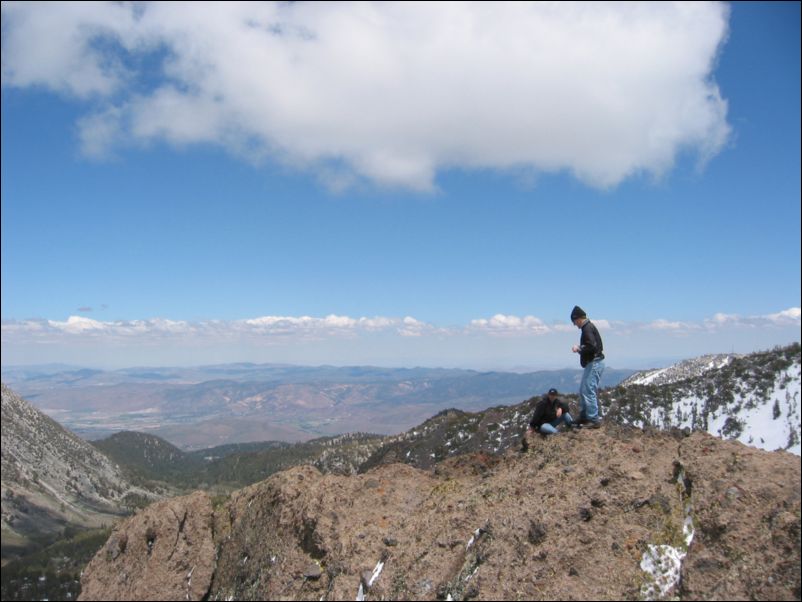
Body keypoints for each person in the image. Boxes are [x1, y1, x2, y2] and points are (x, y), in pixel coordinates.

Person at [570, 305, 605, 428]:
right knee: (584, 390)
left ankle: (593, 419)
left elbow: (591, 346)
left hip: (595, 363)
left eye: (574, 322)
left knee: (588, 390)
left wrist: (579, 348)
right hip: (593, 363)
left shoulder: (587, 329)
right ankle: (585, 416)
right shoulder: (588, 327)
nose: (575, 325)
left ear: (578, 319)